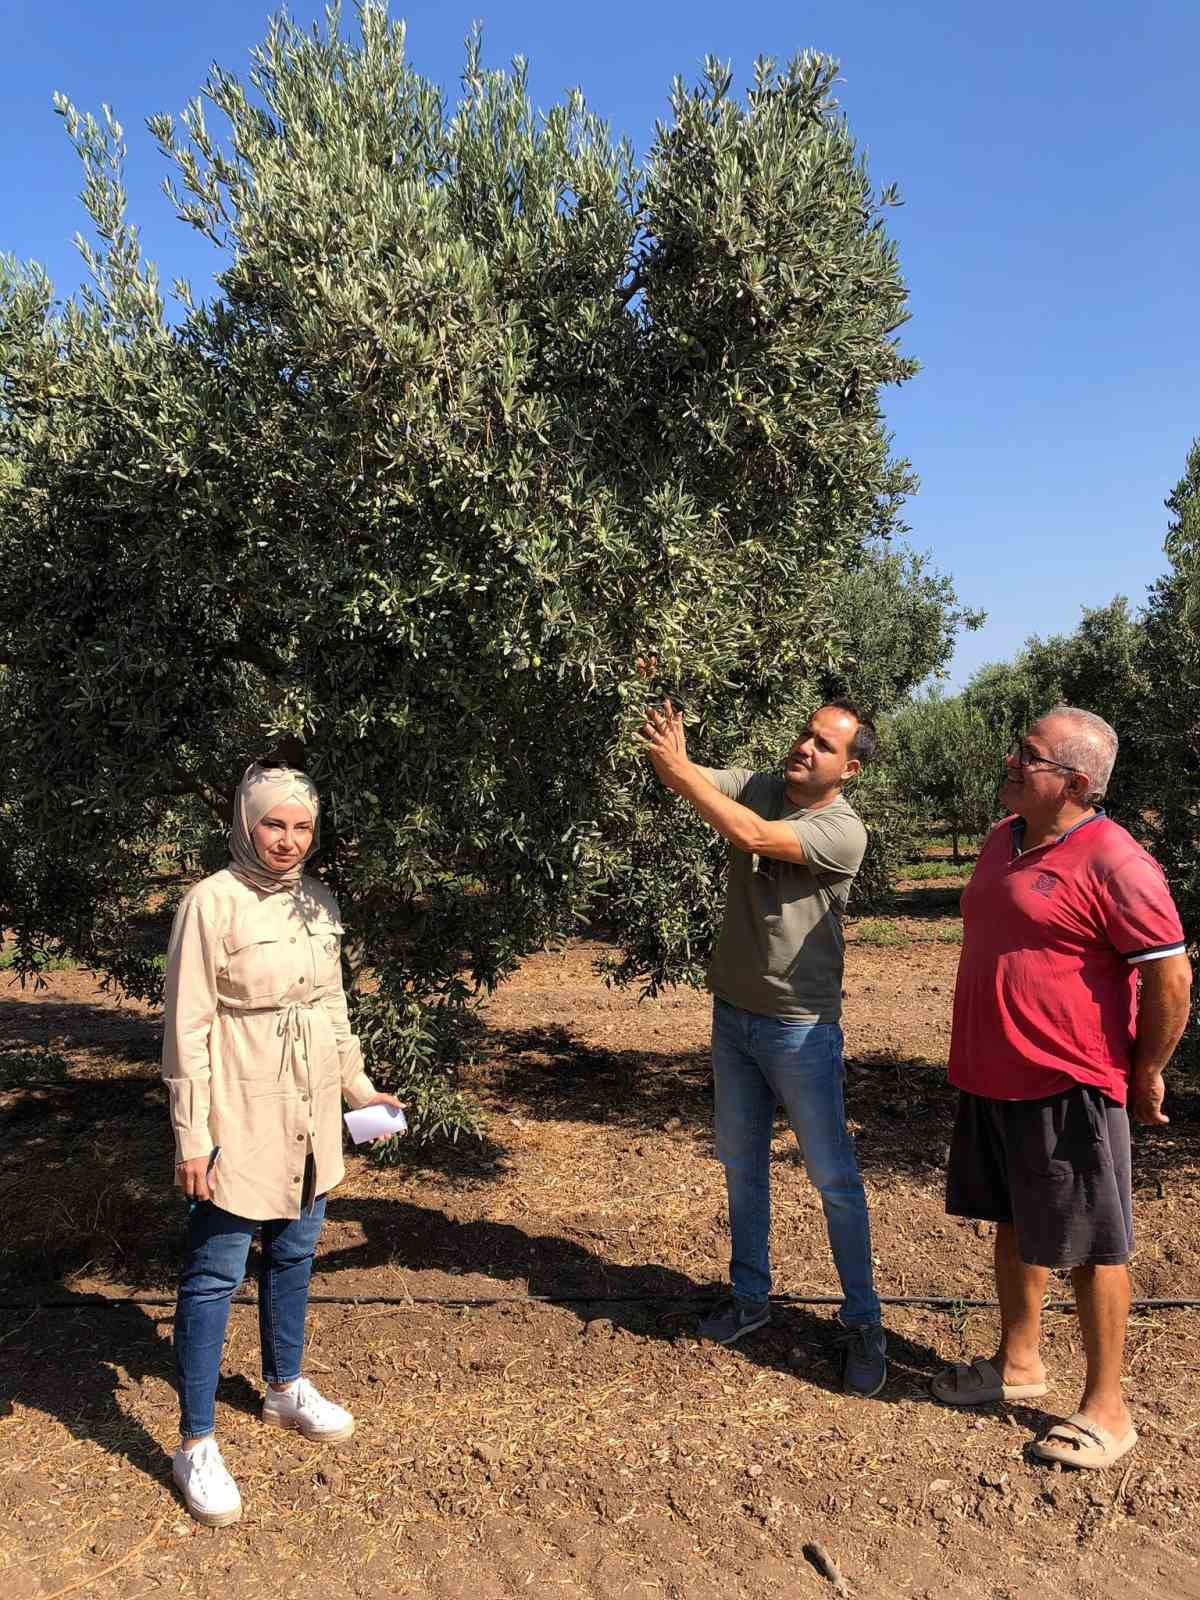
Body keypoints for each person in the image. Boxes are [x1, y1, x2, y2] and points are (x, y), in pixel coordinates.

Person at [932, 707, 1191, 1468]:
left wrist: (1144, 1071)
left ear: (1075, 784)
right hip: (992, 1073)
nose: (1012, 761)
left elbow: (1170, 974)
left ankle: (1108, 1411)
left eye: (1029, 755)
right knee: (1014, 1220)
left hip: (1067, 1078)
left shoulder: (1116, 860)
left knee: (1094, 1246)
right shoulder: (1000, 838)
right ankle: (1019, 1365)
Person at [162, 763, 405, 1526]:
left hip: (307, 1107)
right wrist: (193, 1133)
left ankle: (283, 1385)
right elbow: (187, 1026)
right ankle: (196, 1441)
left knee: (296, 1251)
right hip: (238, 1103)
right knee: (215, 1271)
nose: (287, 840)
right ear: (246, 822)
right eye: (275, 824)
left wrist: (359, 1091)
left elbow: (331, 1007)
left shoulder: (318, 902)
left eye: (301, 827)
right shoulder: (211, 903)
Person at [638, 697, 887, 1396]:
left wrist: (681, 773)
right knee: (741, 1166)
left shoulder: (842, 829)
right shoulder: (766, 784)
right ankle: (750, 1300)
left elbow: (748, 835)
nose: (805, 746)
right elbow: (689, 777)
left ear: (851, 769)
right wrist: (670, 746)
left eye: (824, 744)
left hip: (800, 1028)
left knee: (833, 1180)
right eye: (805, 732)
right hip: (735, 1016)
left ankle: (864, 1323)